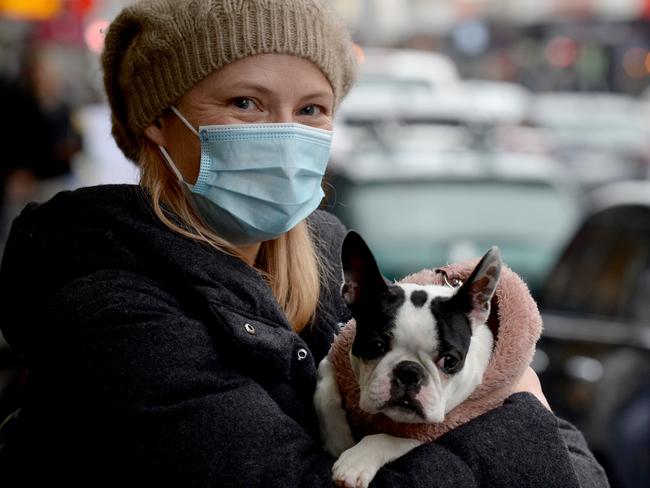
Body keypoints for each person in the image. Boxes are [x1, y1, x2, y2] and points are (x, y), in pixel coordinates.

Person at [0, 1, 609, 487]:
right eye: (246, 103)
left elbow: (585, 477)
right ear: (159, 118)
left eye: (312, 109)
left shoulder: (326, 256)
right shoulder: (114, 310)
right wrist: (522, 408)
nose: (285, 134)